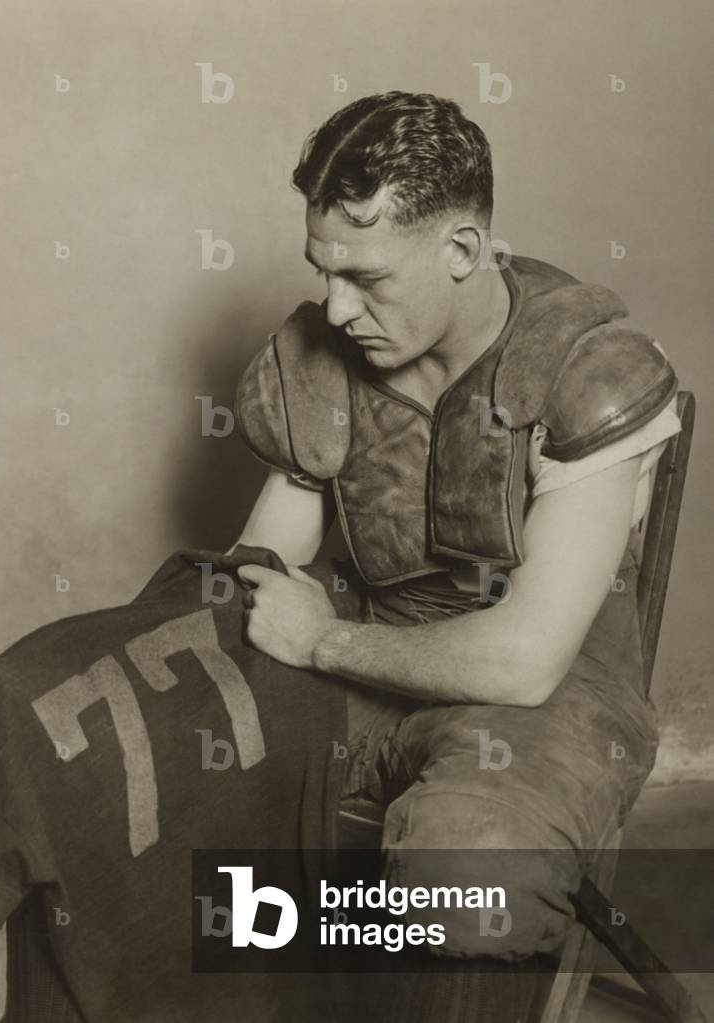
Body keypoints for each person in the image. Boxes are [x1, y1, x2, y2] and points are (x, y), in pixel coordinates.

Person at [228, 91, 681, 976]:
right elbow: (263, 571)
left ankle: (332, 968)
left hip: (555, 693)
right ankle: (301, 976)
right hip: (370, 647)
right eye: (324, 271)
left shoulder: (588, 366)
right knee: (147, 777)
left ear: (464, 250)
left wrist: (320, 638)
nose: (333, 307)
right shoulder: (321, 359)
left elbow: (525, 661)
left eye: (366, 277)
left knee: (465, 885)